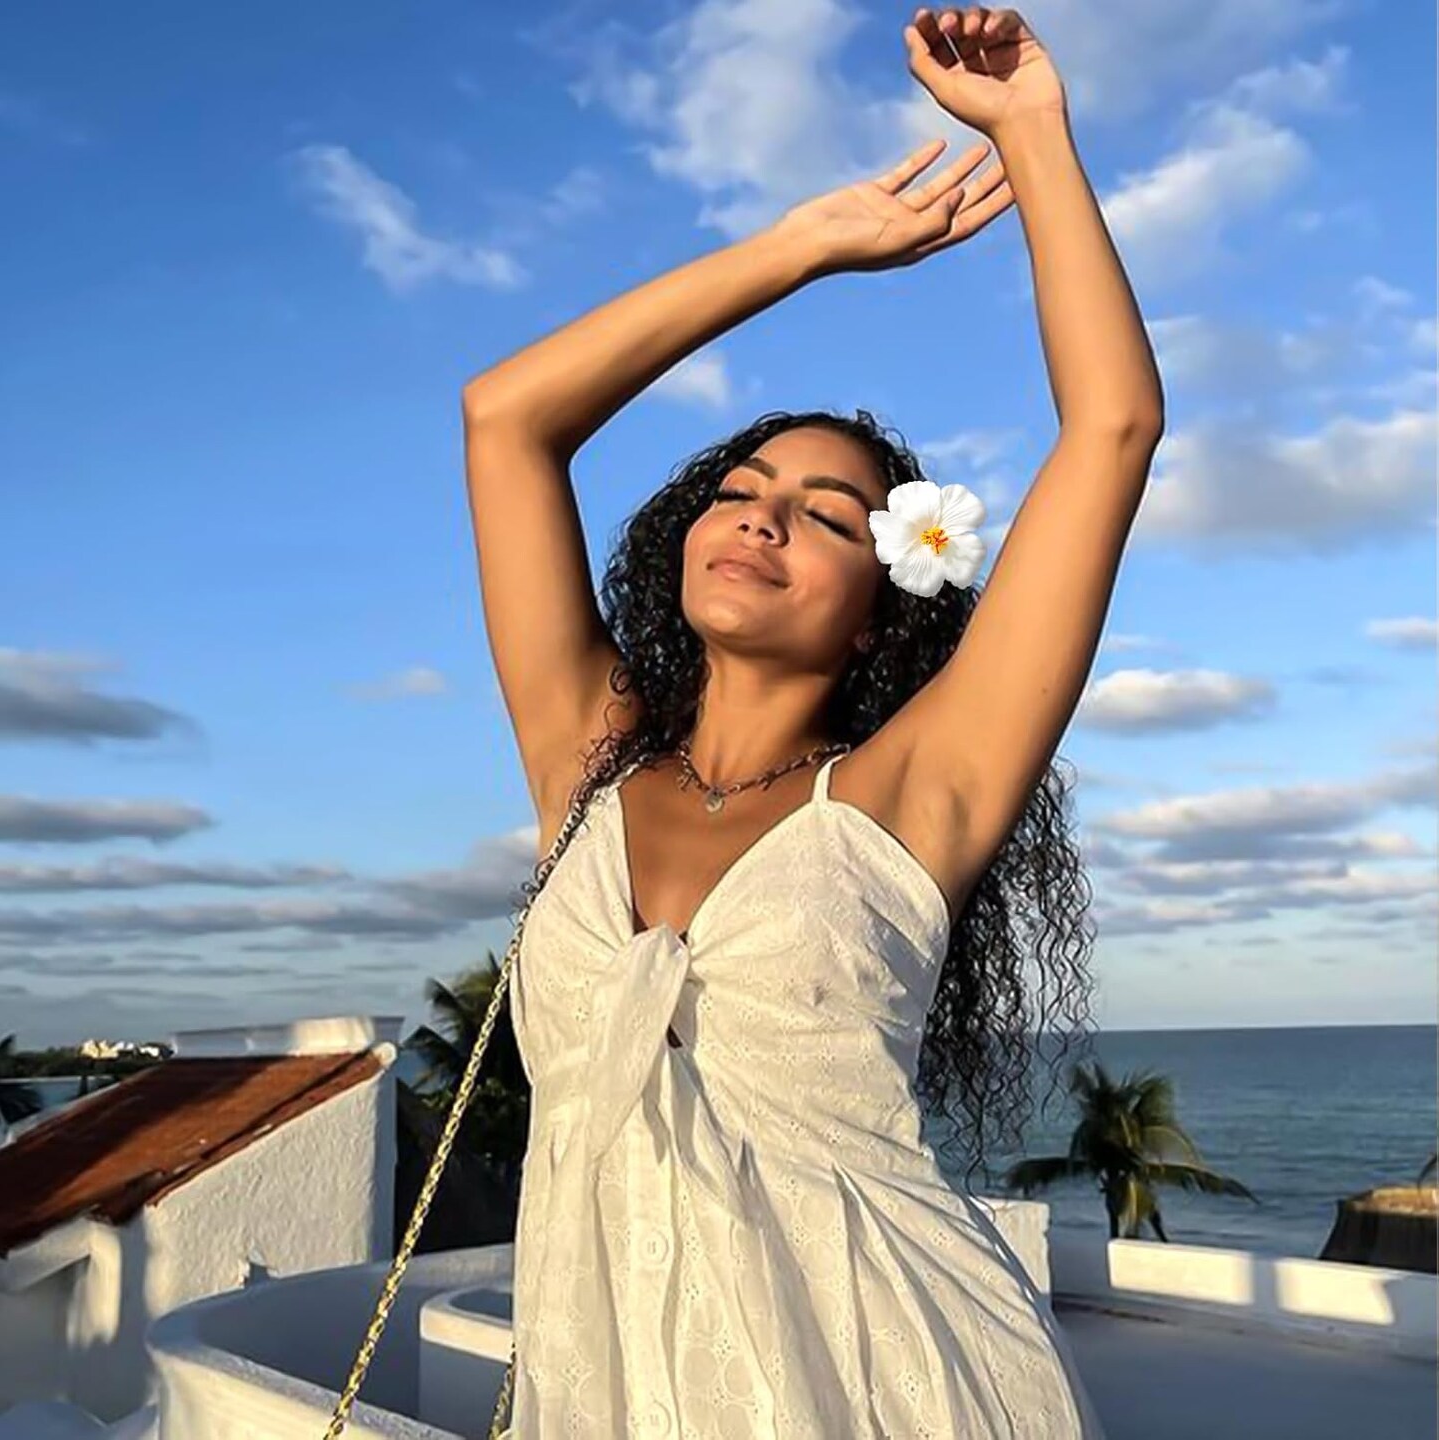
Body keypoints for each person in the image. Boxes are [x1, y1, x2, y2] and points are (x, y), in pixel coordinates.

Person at [462, 7, 1162, 1434]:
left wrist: (1030, 128)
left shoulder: (915, 787)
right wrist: (802, 248)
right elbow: (506, 419)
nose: (763, 518)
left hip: (887, 1379)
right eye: (740, 490)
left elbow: (1113, 431)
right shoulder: (587, 757)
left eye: (828, 515)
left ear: (880, 612)